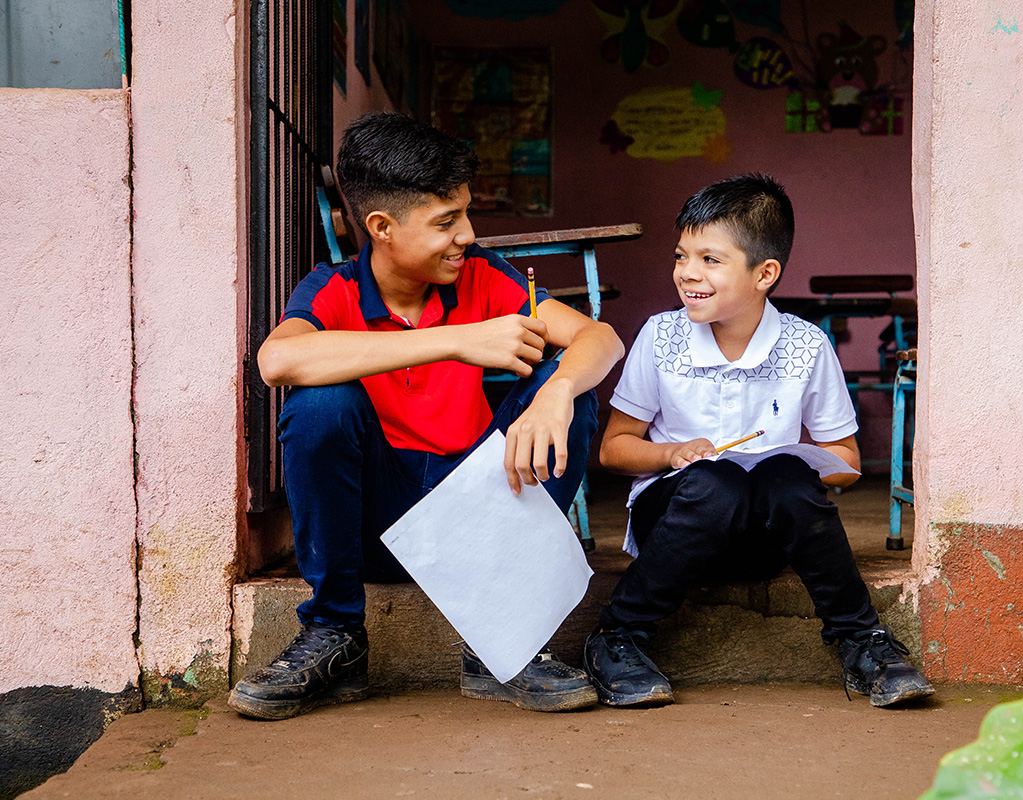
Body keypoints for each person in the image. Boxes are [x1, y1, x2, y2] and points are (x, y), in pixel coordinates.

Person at [228, 112, 624, 720]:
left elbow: (601, 339)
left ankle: (500, 642)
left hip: (476, 522)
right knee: (319, 404)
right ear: (382, 227)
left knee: (567, 390)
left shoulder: (484, 277)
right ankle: (336, 633)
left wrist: (556, 391)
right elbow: (278, 360)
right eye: (446, 221)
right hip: (375, 528)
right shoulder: (331, 289)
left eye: (465, 214)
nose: (466, 234)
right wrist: (453, 341)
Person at [583, 174, 934, 709]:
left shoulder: (805, 346)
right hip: (677, 527)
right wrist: (670, 454)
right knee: (714, 482)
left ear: (765, 273)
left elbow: (845, 463)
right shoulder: (661, 336)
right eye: (681, 256)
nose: (687, 274)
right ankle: (617, 637)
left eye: (710, 260)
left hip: (764, 542)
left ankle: (863, 642)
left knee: (786, 479)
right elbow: (614, 448)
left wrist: (795, 465)